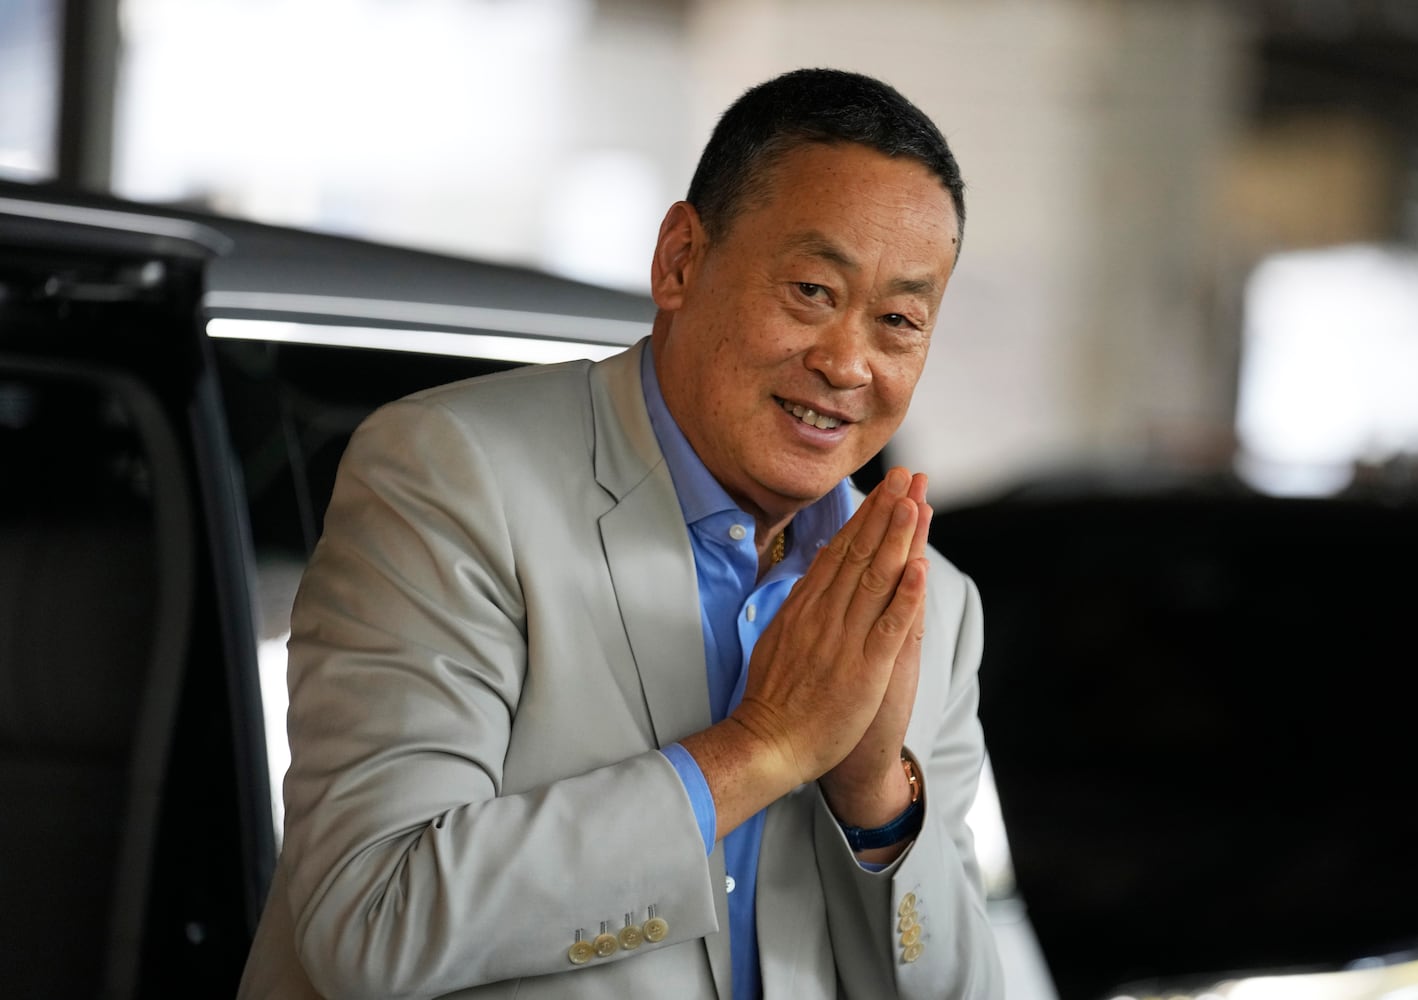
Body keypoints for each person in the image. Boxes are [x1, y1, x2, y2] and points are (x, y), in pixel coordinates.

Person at [237, 67, 1003, 999]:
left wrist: (876, 798)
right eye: (810, 289)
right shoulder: (451, 476)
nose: (848, 363)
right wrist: (762, 747)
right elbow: (374, 922)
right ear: (679, 259)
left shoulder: (930, 605)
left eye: (898, 320)